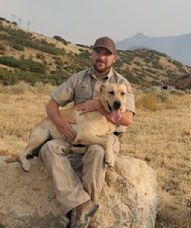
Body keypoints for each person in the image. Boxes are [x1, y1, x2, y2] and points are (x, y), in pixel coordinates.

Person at [39, 36, 135, 227]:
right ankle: (80, 204)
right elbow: (51, 104)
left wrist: (99, 106)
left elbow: (127, 119)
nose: (102, 57)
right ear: (92, 54)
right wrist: (59, 122)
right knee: (47, 149)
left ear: (114, 58)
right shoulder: (78, 79)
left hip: (106, 136)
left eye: (107, 54)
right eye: (98, 52)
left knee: (97, 152)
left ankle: (79, 215)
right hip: (76, 133)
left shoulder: (122, 84)